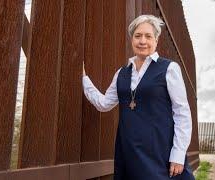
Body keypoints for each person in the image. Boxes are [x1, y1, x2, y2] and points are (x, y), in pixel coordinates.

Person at [82, 14, 195, 180]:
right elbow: (104, 103)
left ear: (156, 40)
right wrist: (84, 79)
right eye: (138, 36)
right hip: (128, 151)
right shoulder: (121, 73)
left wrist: (178, 154)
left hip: (159, 151)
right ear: (132, 39)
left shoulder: (169, 69)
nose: (143, 41)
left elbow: (182, 113)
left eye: (148, 36)